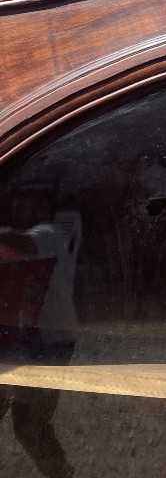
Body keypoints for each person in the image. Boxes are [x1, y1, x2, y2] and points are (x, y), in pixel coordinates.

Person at [0, 187, 80, 478]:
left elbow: (19, 245)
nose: (21, 203)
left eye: (32, 198)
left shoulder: (48, 234)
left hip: (49, 343)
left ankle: (61, 474)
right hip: (27, 339)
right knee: (28, 424)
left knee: (29, 424)